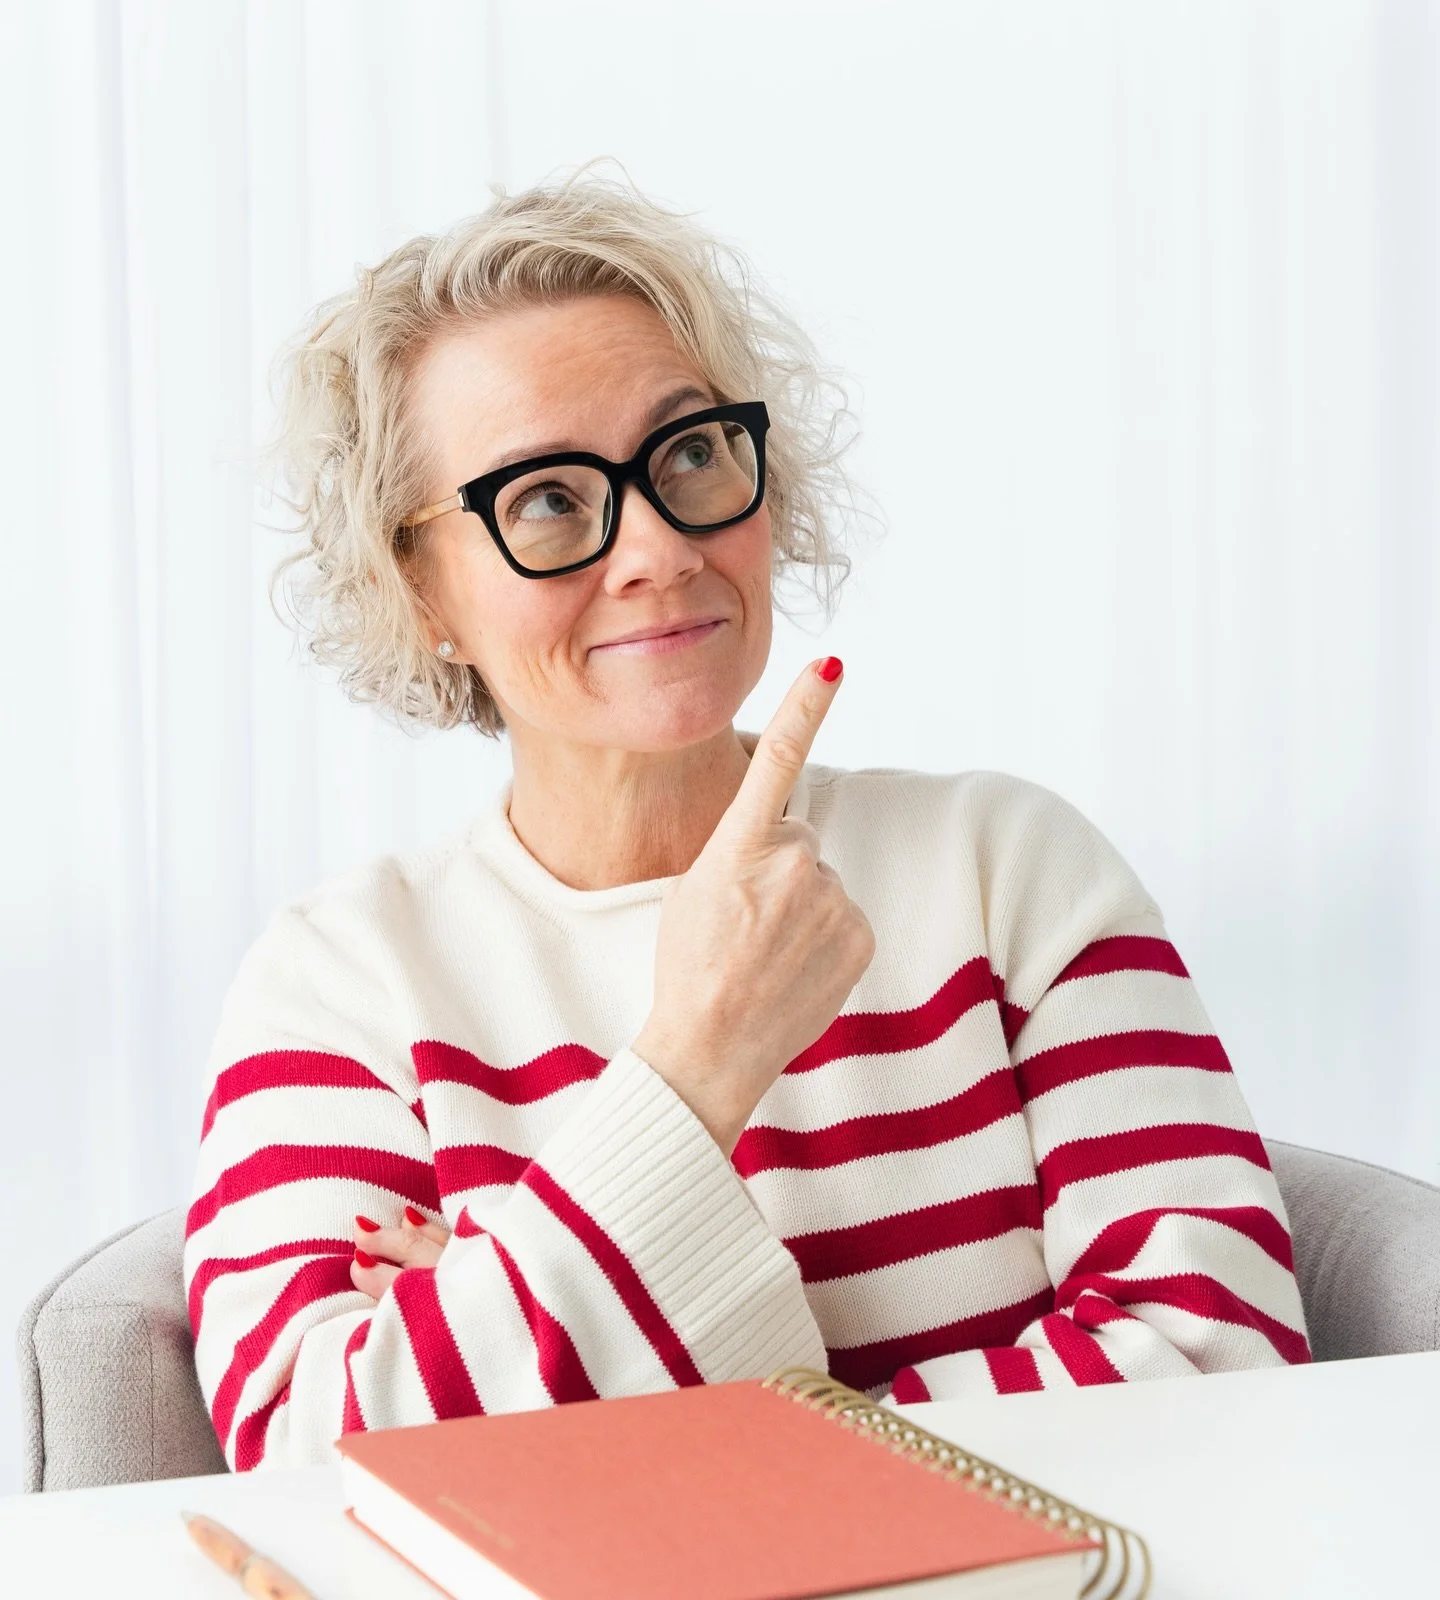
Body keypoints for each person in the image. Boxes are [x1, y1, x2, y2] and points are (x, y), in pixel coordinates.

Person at [185, 168, 1310, 1471]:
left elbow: (1219, 1352)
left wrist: (617, 1380)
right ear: (417, 585)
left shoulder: (1009, 871)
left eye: (690, 451)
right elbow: (315, 1459)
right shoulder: (345, 979)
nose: (659, 545)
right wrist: (697, 1067)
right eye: (548, 497)